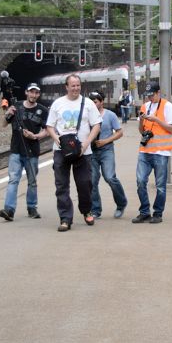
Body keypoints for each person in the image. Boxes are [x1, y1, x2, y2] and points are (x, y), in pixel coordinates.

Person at [46, 73, 102, 232]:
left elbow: (97, 125)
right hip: (61, 151)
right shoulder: (58, 104)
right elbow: (49, 125)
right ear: (67, 87)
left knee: (85, 183)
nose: (76, 88)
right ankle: (65, 218)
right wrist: (56, 138)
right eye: (73, 85)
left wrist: (86, 143)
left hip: (83, 152)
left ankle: (86, 210)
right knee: (61, 185)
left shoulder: (88, 103)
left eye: (78, 85)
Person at [0, 83, 49, 221]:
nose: (33, 95)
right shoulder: (16, 107)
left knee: (32, 181)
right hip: (16, 150)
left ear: (38, 94)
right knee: (13, 180)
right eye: (31, 92)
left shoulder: (43, 110)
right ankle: (9, 209)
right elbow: (3, 124)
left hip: (32, 151)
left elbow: (48, 130)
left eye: (36, 93)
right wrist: (7, 114)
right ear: (26, 92)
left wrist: (36, 136)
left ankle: (32, 208)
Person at [132, 80, 172, 224]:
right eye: (147, 96)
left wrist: (157, 120)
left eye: (152, 95)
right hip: (145, 150)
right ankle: (144, 212)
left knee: (160, 185)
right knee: (140, 182)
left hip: (161, 153)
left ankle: (158, 213)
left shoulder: (167, 106)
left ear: (159, 93)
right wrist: (141, 120)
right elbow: (141, 131)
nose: (150, 98)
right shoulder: (145, 106)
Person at [88, 91, 127, 219]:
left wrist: (106, 140)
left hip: (106, 150)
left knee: (110, 177)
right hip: (91, 152)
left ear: (101, 102)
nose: (93, 104)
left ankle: (121, 203)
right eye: (91, 102)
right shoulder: (86, 115)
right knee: (92, 181)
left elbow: (119, 132)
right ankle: (95, 210)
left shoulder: (110, 115)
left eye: (95, 102)